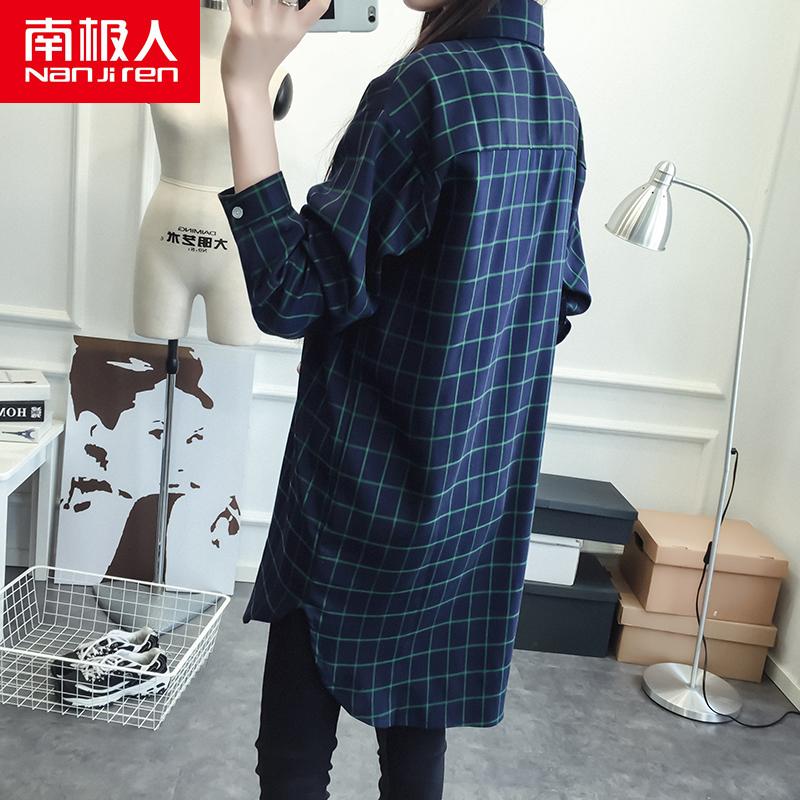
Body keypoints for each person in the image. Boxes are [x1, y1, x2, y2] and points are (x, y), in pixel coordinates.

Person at [217, 0, 591, 797]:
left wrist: (247, 89)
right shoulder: (555, 103)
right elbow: (556, 303)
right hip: (470, 498)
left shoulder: (425, 88)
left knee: (294, 757)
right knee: (417, 740)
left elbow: (290, 294)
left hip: (357, 486)